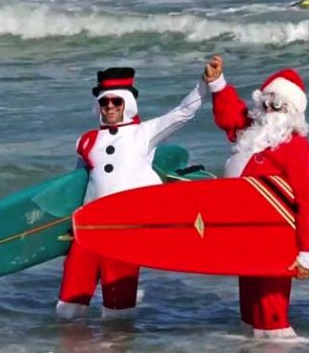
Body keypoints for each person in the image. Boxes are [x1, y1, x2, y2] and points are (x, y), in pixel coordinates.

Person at [57, 66, 209, 319]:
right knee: (68, 308)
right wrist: (70, 223)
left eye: (116, 101)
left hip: (124, 231)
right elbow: (79, 185)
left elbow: (183, 112)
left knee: (118, 314)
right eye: (104, 102)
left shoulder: (143, 134)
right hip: (88, 230)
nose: (110, 106)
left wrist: (205, 84)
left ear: (127, 103)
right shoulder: (86, 141)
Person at [203, 55, 309, 338]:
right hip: (248, 239)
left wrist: (307, 252)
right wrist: (218, 83)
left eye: (276, 104)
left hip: (275, 242)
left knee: (272, 321)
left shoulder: (294, 147)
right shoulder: (255, 135)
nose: (269, 109)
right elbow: (231, 116)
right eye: (265, 102)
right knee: (249, 318)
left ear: (291, 110)